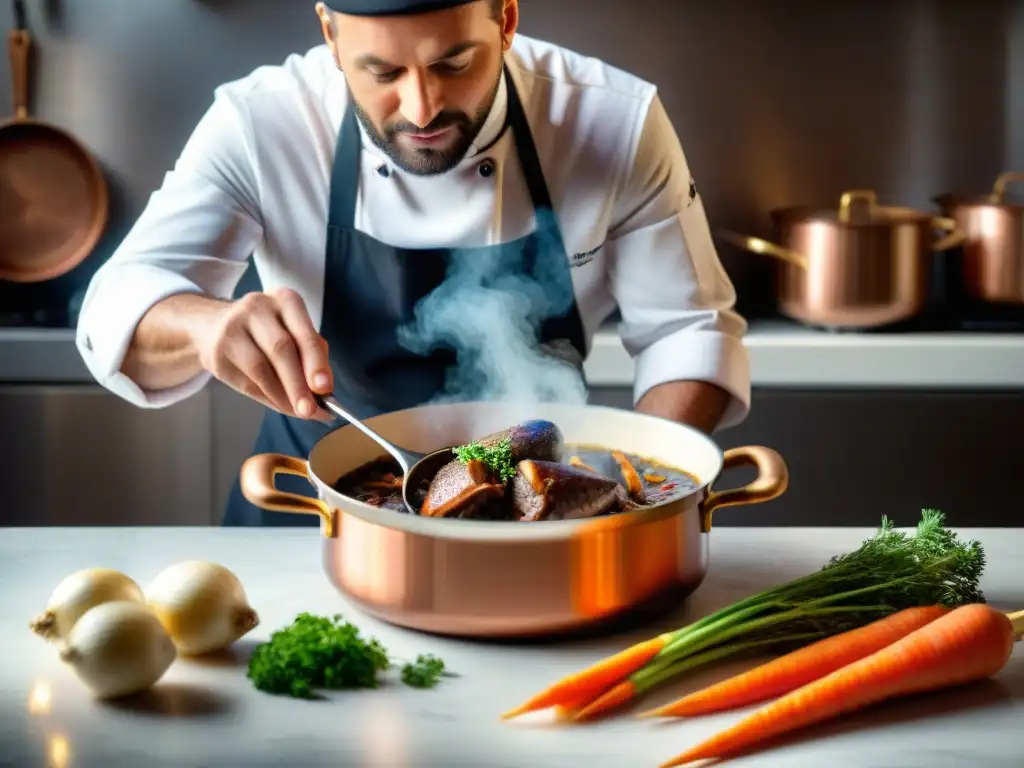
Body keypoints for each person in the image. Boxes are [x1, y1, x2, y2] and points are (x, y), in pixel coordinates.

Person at [75, 0, 752, 527]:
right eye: (383, 73)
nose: (421, 108)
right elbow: (117, 307)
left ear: (507, 19)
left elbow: (688, 330)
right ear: (331, 34)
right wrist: (204, 327)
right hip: (312, 506)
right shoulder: (264, 121)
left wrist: (630, 494)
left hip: (546, 506)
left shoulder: (613, 120)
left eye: (455, 63)